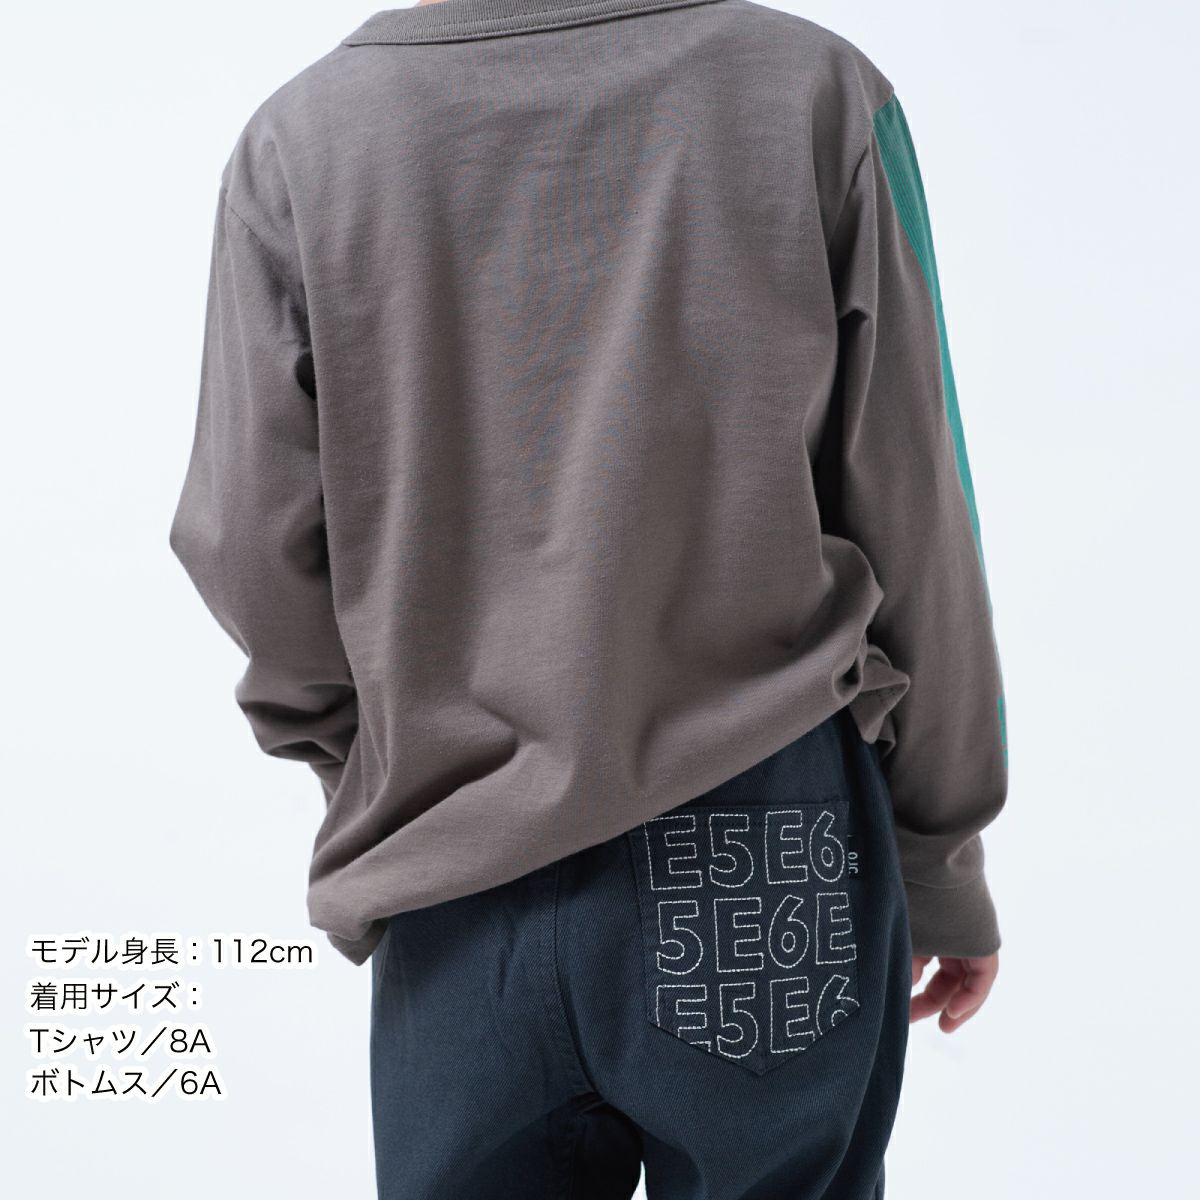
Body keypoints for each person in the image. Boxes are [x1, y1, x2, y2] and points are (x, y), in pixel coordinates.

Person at [169, 0, 1008, 1195]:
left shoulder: (299, 143)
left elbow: (248, 544)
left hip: (455, 855)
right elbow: (916, 498)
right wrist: (939, 858)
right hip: (762, 837)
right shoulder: (817, 94)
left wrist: (380, 763)